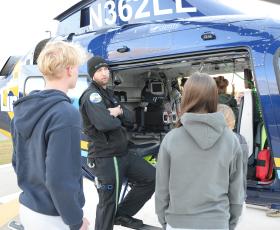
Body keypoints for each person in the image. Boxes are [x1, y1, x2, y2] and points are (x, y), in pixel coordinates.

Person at [11, 41, 89, 230]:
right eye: (77, 68)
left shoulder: (23, 109)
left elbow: (17, 162)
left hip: (28, 209)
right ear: (69, 70)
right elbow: (60, 179)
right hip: (54, 218)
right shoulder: (65, 113)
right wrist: (76, 220)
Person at [155, 72, 244, 230]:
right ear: (213, 97)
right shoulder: (231, 140)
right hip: (217, 223)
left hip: (178, 223)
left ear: (187, 97)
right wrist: (229, 224)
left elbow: (162, 189)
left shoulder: (171, 139)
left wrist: (165, 221)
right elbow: (236, 192)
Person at [79, 56, 155, 230]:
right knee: (108, 203)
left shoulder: (109, 94)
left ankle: (122, 214)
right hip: (106, 157)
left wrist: (115, 113)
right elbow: (105, 124)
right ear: (92, 75)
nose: (104, 73)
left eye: (106, 69)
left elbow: (131, 118)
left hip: (122, 153)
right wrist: (114, 115)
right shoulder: (92, 96)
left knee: (151, 178)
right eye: (99, 71)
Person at [217, 104, 248, 198]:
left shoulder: (203, 138)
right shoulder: (240, 140)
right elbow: (241, 175)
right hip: (230, 198)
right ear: (232, 121)